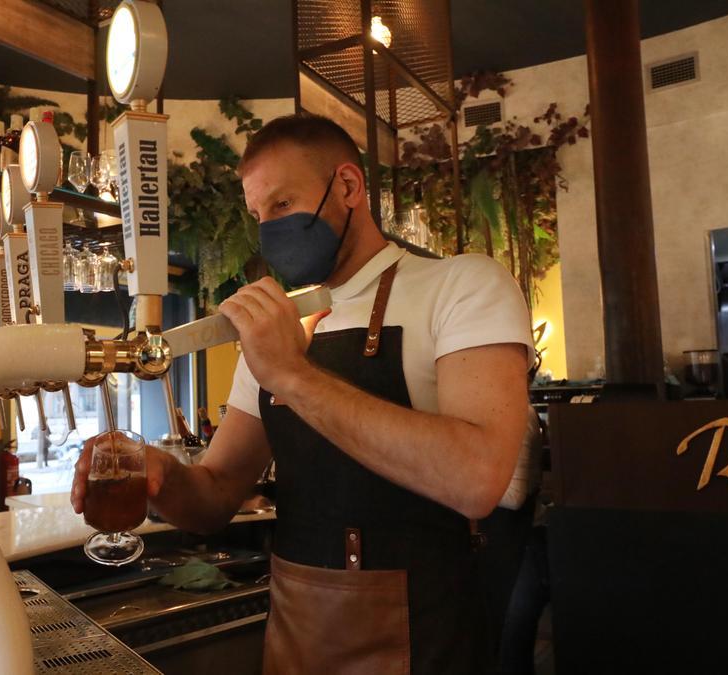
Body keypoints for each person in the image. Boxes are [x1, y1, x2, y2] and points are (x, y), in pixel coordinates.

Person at [73, 113, 533, 674]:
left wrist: (293, 375)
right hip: (296, 632)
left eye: (284, 205)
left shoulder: (462, 286)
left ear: (347, 187)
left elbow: (476, 478)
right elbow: (215, 493)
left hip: (424, 637)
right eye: (259, 215)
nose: (269, 229)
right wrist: (159, 476)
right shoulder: (277, 327)